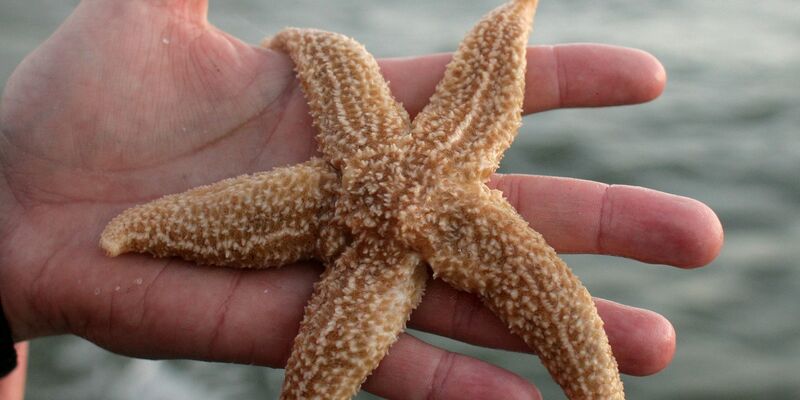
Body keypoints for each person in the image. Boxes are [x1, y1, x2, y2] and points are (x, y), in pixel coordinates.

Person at [0, 0, 723, 398]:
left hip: (376, 244)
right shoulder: (425, 138)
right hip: (368, 239)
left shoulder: (417, 138)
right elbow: (337, 58)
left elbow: (354, 56)